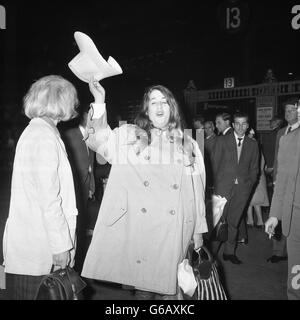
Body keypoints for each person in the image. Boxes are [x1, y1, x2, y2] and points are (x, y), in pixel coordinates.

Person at [81, 80, 207, 299]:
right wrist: (99, 101)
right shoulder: (130, 136)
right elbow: (97, 140)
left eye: (165, 102)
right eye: (153, 102)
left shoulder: (190, 143)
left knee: (173, 294)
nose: (159, 107)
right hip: (143, 232)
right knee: (144, 292)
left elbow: (198, 191)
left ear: (172, 108)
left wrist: (198, 231)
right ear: (147, 110)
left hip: (174, 231)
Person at [2, 75, 78, 300]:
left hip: (29, 244)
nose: (74, 105)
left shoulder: (36, 132)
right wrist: (61, 245)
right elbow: (49, 197)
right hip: (38, 248)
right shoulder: (44, 137)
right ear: (60, 101)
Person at [212, 112, 259, 264]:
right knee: (218, 221)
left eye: (243, 124)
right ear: (232, 125)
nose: (240, 127)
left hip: (242, 191)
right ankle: (210, 254)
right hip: (222, 189)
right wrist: (216, 187)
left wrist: (248, 186)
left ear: (248, 125)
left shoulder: (253, 144)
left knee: (234, 222)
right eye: (237, 123)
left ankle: (229, 252)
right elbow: (214, 165)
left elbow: (254, 169)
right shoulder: (221, 141)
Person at [265, 99, 300, 300]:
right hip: (295, 215)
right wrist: (275, 214)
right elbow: (283, 179)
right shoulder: (287, 139)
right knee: (296, 272)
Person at [62, 104, 96, 273]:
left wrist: (91, 187)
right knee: (76, 226)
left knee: (81, 227)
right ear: (84, 116)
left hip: (84, 188)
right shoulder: (71, 135)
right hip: (75, 189)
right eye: (92, 117)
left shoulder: (91, 136)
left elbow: (92, 166)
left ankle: (78, 263)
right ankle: (73, 265)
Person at [246, 129, 269, 229]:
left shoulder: (248, 146)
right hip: (259, 176)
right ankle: (259, 221)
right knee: (256, 200)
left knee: (248, 199)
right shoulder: (257, 146)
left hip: (251, 176)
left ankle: (250, 220)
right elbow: (263, 163)